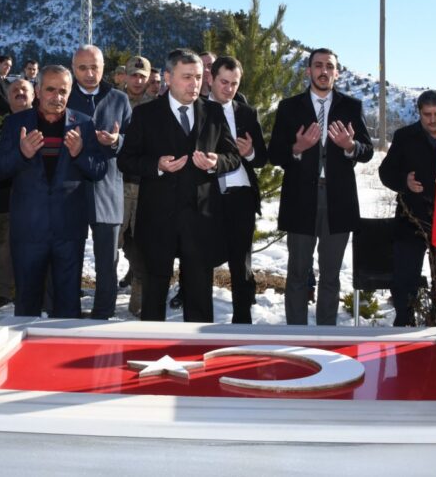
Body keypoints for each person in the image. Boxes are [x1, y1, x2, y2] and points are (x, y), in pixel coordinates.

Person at [117, 49, 240, 323]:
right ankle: (151, 351)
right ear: (168, 78)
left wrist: (215, 161)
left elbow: (233, 157)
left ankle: (197, 354)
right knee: (153, 295)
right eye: (187, 77)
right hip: (157, 220)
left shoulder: (213, 112)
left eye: (198, 77)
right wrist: (156, 166)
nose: (194, 84)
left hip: (200, 221)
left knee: (198, 296)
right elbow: (125, 161)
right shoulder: (146, 114)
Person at [0, 66, 107, 318]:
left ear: (70, 91)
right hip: (29, 230)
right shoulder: (16, 123)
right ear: (38, 91)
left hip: (69, 230)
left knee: (68, 306)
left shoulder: (84, 124)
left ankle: (64, 353)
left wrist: (80, 154)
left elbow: (99, 170)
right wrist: (21, 154)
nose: (57, 96)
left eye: (63, 91)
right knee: (27, 304)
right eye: (51, 90)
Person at [269, 48, 373, 326]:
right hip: (300, 199)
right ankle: (295, 333)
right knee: (297, 273)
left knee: (331, 275)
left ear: (337, 72)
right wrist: (297, 148)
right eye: (318, 65)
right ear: (308, 71)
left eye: (329, 66)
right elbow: (275, 153)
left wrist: (350, 146)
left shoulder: (352, 106)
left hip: (338, 200)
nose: (323, 71)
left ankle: (327, 334)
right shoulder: (289, 107)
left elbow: (368, 151)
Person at [67, 45, 133, 320]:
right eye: (83, 68)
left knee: (108, 259)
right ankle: (67, 310)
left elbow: (134, 142)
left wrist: (117, 141)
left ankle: (103, 313)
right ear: (73, 69)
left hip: (108, 187)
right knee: (70, 256)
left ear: (104, 68)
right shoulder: (64, 97)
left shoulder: (119, 98)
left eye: (95, 67)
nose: (90, 73)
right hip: (71, 188)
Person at [378, 90, 436, 327]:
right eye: (427, 115)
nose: (433, 120)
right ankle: (404, 324)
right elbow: (385, 173)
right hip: (411, 218)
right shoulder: (405, 136)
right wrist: (404, 182)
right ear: (419, 113)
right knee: (405, 278)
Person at [208, 56, 267, 324]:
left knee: (241, 264)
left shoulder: (246, 113)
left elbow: (263, 158)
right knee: (200, 261)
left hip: (241, 195)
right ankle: (198, 321)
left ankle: (243, 321)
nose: (229, 89)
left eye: (234, 83)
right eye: (224, 82)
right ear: (210, 79)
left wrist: (251, 152)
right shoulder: (196, 110)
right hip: (207, 197)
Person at [0, 78, 33, 307]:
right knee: (6, 246)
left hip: (33, 199)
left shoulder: (42, 122)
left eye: (25, 89)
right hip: (5, 197)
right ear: (7, 97)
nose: (20, 93)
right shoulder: (2, 124)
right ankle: (1, 293)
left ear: (34, 96)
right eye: (14, 90)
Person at [118, 55, 154, 316]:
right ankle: (105, 301)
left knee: (141, 249)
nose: (138, 80)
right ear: (125, 76)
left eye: (143, 76)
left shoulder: (157, 108)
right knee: (110, 249)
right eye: (134, 75)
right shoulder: (114, 103)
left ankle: (138, 304)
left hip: (145, 191)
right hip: (116, 189)